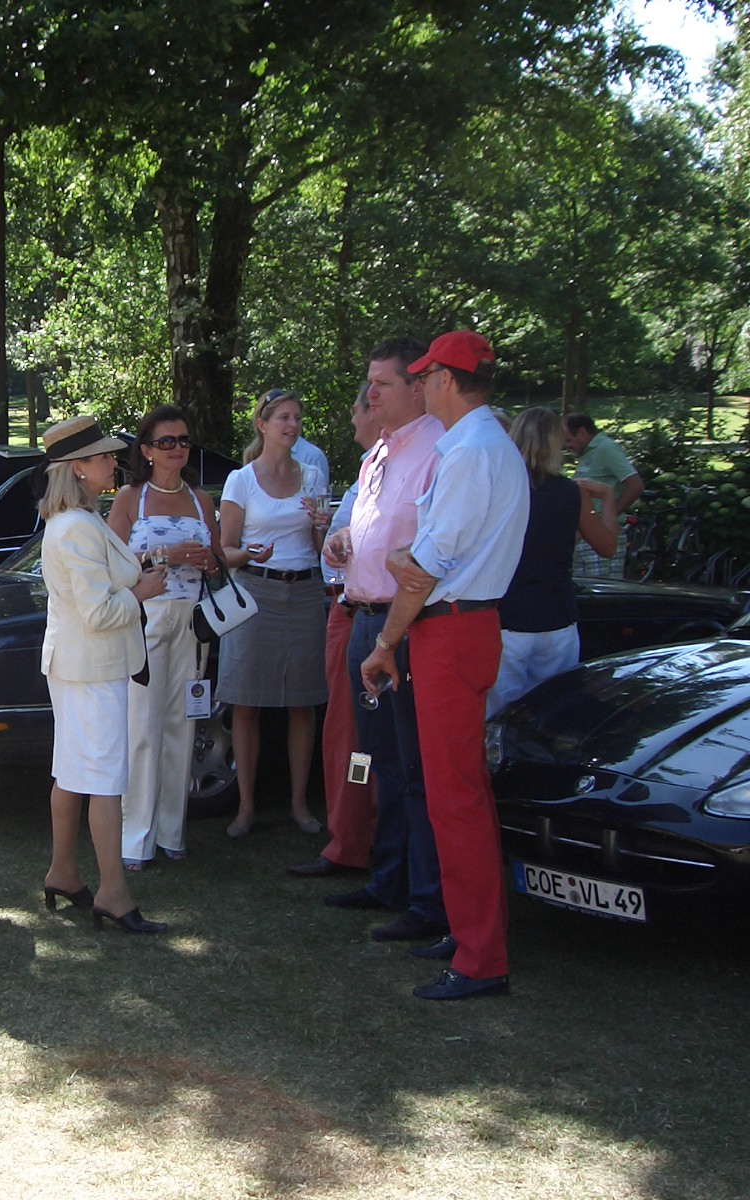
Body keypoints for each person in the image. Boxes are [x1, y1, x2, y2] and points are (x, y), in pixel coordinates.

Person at [360, 329, 529, 1001]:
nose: (423, 384)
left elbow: (422, 568)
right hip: (460, 626)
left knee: (455, 797)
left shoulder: (469, 452)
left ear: (448, 382)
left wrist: (385, 642)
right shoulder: (482, 445)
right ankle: (467, 934)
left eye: (428, 376)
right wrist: (404, 568)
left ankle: (481, 957)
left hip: (452, 629)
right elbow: (421, 563)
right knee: (455, 792)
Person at [319, 337, 448, 946]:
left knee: (415, 765)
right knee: (379, 760)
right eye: (369, 382)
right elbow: (366, 531)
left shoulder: (438, 451)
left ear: (418, 388)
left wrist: (391, 635)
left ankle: (427, 898)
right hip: (362, 618)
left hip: (407, 626)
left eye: (382, 383)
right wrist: (341, 542)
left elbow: (435, 552)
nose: (370, 393)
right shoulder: (379, 453)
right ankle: (388, 879)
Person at [37, 415, 169, 934]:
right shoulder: (75, 527)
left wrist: (133, 578)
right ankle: (112, 892)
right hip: (90, 669)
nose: (113, 462)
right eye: (103, 456)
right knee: (104, 780)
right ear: (78, 468)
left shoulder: (78, 521)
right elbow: (98, 613)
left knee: (73, 773)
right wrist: (141, 592)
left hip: (80, 666)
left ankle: (63, 872)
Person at [106, 404, 219, 869]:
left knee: (182, 724)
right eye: (166, 441)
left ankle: (173, 831)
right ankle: (136, 839)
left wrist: (208, 560)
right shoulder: (130, 498)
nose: (177, 449)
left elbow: (218, 563)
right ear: (147, 450)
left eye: (183, 440)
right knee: (142, 727)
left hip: (192, 621)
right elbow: (112, 565)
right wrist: (165, 554)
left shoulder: (201, 499)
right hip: (146, 618)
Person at [215, 388, 329, 838]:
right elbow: (224, 551)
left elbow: (324, 550)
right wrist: (250, 554)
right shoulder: (240, 480)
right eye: (283, 417)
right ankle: (245, 807)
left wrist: (322, 527)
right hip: (254, 593)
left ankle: (299, 804)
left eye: (297, 417)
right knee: (246, 703)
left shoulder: (314, 475)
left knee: (303, 702)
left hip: (304, 593)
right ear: (262, 425)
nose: (292, 425)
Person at [289, 384, 380, 879]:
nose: (352, 419)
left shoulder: (405, 468)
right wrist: (333, 537)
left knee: (358, 736)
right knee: (347, 735)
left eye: (357, 409)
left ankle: (360, 842)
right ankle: (350, 837)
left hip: (367, 616)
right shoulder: (369, 471)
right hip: (346, 611)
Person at [488, 406, 618, 716]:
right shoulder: (572, 493)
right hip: (557, 617)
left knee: (499, 716)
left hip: (508, 618)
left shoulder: (498, 489)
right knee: (554, 713)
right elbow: (607, 546)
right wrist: (609, 500)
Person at [564, 413, 642, 577]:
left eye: (569, 440)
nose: (567, 446)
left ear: (582, 432)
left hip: (603, 533)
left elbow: (635, 485)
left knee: (603, 587)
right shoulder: (588, 453)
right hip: (583, 534)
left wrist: (609, 514)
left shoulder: (607, 448)